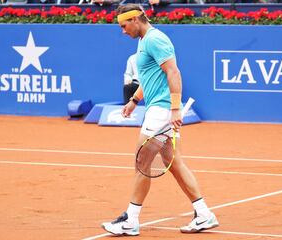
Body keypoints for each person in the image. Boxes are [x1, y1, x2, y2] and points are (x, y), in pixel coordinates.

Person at [101, 4, 219, 236]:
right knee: (174, 163)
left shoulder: (155, 39)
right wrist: (134, 100)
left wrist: (174, 109)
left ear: (135, 19)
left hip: (162, 111)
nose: (123, 31)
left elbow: (173, 72)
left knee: (141, 163)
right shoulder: (144, 41)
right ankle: (204, 214)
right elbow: (150, 78)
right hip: (160, 109)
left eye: (124, 26)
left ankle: (130, 220)